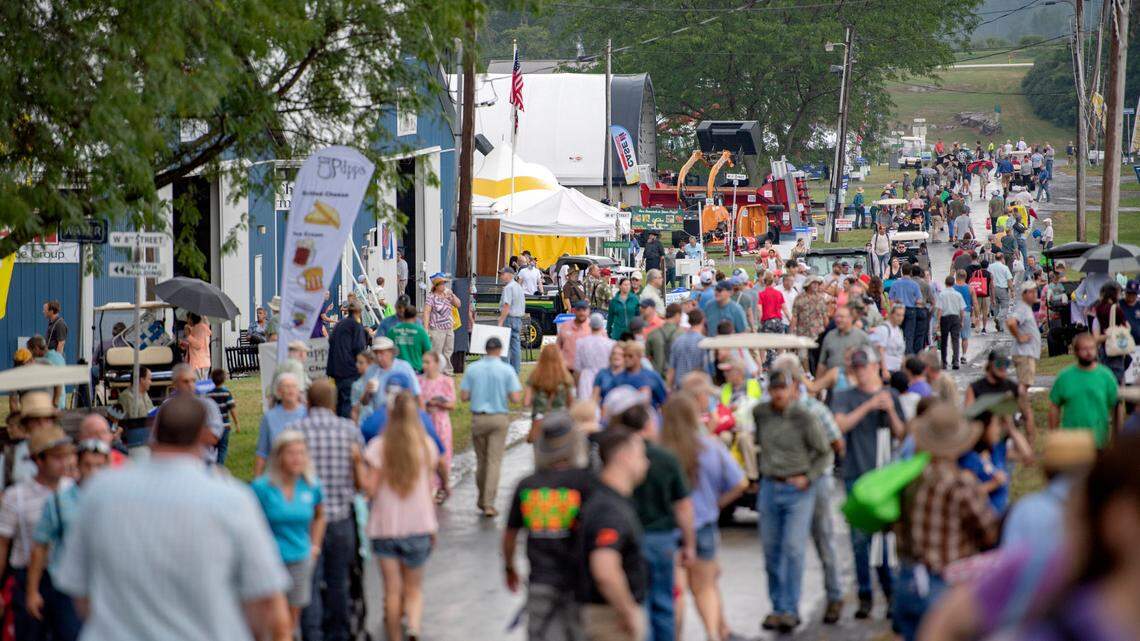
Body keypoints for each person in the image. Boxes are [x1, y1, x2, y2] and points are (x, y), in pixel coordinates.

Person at [55, 396, 293, 640]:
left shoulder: (100, 492)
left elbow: (80, 593)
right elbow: (267, 602)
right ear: (204, 435)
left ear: (152, 431)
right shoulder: (233, 500)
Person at [892, 403, 999, 641]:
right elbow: (989, 532)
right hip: (943, 583)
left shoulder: (909, 478)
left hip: (907, 580)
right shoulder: (959, 483)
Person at [659, 394, 746, 641]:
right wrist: (716, 504)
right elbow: (741, 483)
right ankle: (712, 634)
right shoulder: (711, 447)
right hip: (703, 525)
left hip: (668, 529)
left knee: (675, 592)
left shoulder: (659, 453)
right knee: (705, 587)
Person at [753, 367, 832, 633]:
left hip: (798, 488)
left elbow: (824, 453)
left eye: (782, 389)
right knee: (771, 550)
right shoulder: (761, 414)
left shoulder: (804, 417)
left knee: (793, 548)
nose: (778, 394)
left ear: (791, 390)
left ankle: (790, 608)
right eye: (774, 389)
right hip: (769, 485)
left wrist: (808, 476)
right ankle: (777, 606)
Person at [503, 411, 593, 641]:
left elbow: (510, 534)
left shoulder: (527, 486)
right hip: (579, 581)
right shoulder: (586, 483)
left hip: (540, 581)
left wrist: (510, 567)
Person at [610, 403, 696, 641]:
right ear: (649, 425)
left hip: (628, 538)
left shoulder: (616, 457)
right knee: (663, 603)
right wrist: (689, 543)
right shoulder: (666, 458)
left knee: (639, 602)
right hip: (661, 538)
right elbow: (683, 505)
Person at [831, 347, 906, 618]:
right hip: (856, 474)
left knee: (886, 541)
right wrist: (868, 406)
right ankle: (865, 595)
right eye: (857, 367)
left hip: (884, 478)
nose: (861, 371)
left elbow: (902, 435)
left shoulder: (891, 396)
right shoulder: (844, 396)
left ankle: (891, 594)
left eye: (865, 366)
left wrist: (891, 411)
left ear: (876, 366)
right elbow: (840, 425)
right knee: (860, 540)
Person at [291, 380, 365, 641]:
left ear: (308, 402)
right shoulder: (349, 431)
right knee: (339, 581)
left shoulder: (296, 431)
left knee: (309, 581)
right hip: (341, 517)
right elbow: (360, 481)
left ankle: (313, 633)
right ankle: (340, 632)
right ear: (334, 403)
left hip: (307, 519)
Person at [362, 391, 440, 641]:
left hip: (385, 527)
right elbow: (429, 490)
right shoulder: (426, 446)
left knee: (392, 590)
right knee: (414, 588)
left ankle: (394, 635)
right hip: (418, 525)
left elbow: (370, 490)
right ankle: (414, 626)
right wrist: (433, 527)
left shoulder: (378, 447)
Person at [25, 438, 110, 639]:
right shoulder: (59, 501)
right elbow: (40, 545)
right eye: (88, 465)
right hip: (69, 590)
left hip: (106, 587)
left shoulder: (117, 501)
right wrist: (32, 591)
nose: (94, 472)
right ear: (78, 466)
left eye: (99, 466)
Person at [0, 426, 75, 640]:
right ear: (38, 460)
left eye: (67, 456)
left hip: (66, 578)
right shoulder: (16, 497)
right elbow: (2, 544)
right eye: (57, 458)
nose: (65, 462)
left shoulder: (73, 491)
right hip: (28, 578)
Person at [577, 428, 649, 641]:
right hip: (609, 619)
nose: (646, 463)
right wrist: (627, 610)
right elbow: (605, 570)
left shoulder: (608, 499)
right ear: (624, 457)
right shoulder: (609, 509)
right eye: (641, 456)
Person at [251, 431, 326, 633]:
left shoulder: (311, 485)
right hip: (270, 561)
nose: (297, 458)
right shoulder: (262, 488)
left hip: (300, 559)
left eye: (301, 453)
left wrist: (315, 545)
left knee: (291, 621)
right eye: (291, 453)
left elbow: (320, 514)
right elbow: (249, 523)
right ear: (279, 456)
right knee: (273, 620)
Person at [460, 337, 523, 517]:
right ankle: (488, 502)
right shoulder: (506, 370)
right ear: (500, 350)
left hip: (478, 418)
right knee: (494, 461)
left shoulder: (473, 369)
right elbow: (516, 398)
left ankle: (481, 498)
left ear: (485, 349)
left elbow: (464, 396)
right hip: (498, 417)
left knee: (481, 461)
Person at [1049, 332, 1119, 448]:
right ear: (1076, 352)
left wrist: (1116, 437)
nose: (1088, 352)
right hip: (1072, 442)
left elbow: (1116, 406)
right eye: (1084, 349)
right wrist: (1054, 436)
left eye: (1092, 348)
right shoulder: (1065, 377)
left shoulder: (1106, 376)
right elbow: (1054, 407)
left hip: (1099, 440)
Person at [255, 373, 308, 476]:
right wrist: (257, 481)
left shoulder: (307, 414)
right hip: (276, 474)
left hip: (302, 474)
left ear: (299, 391)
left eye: (293, 386)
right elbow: (262, 452)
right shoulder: (269, 417)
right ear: (279, 392)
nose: (290, 390)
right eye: (286, 386)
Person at [419, 351, 454, 499]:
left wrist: (439, 403)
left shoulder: (446, 381)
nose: (425, 366)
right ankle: (428, 487)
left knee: (443, 454)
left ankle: (441, 486)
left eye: (428, 362)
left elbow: (452, 404)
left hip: (441, 421)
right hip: (425, 421)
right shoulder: (419, 381)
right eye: (424, 362)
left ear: (436, 364)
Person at [326, 299, 369, 417]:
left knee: (339, 402)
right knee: (348, 402)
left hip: (335, 370)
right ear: (359, 312)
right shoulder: (356, 326)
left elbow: (330, 341)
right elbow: (359, 349)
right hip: (349, 370)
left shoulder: (339, 324)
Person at [525, 344, 576, 444]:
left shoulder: (535, 376)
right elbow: (571, 403)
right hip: (560, 419)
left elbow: (526, 402)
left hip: (540, 419)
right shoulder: (566, 377)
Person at [362, 336, 422, 415]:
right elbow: (364, 402)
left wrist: (421, 417)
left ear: (391, 352)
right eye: (376, 353)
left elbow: (416, 394)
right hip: (380, 415)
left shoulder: (404, 367)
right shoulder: (371, 370)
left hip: (402, 416)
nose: (379, 357)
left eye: (382, 353)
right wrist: (367, 392)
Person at [817, 306, 871, 388]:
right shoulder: (829, 336)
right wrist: (818, 385)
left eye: (842, 317)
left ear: (850, 318)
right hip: (832, 386)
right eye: (836, 317)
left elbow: (871, 362)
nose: (838, 320)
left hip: (854, 386)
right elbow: (822, 363)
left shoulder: (861, 337)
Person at [1008, 280, 1042, 390]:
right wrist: (1019, 337)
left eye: (1035, 291)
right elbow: (1011, 322)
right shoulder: (1022, 307)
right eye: (1031, 292)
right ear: (1024, 294)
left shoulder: (1026, 307)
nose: (1034, 294)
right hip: (1024, 352)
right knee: (1024, 384)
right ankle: (1021, 405)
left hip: (1028, 352)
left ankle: (1022, 403)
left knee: (1025, 383)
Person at [574, 313, 616, 400]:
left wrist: (577, 386)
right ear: (602, 325)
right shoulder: (611, 344)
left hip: (586, 378)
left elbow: (577, 369)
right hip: (605, 378)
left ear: (589, 325)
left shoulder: (580, 343)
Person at [666, 309, 706, 390]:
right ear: (702, 321)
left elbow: (671, 369)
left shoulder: (678, 341)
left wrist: (668, 388)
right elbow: (706, 370)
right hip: (697, 388)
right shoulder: (703, 342)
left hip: (680, 388)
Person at [497, 266, 527, 372]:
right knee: (515, 347)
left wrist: (500, 321)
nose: (501, 276)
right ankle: (515, 371)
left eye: (502, 274)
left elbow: (506, 305)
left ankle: (505, 371)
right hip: (518, 319)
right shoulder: (518, 287)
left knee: (504, 346)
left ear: (510, 275)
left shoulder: (508, 288)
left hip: (509, 319)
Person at [207, 368, 239, 465]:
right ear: (224, 379)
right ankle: (219, 466)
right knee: (222, 448)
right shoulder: (226, 393)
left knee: (213, 447)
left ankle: (212, 464)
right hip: (225, 426)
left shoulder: (209, 394)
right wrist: (237, 423)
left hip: (212, 426)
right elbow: (232, 409)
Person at [936, 275, 967, 370]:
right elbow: (962, 310)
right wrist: (961, 321)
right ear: (953, 284)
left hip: (945, 318)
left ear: (945, 284)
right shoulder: (958, 295)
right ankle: (956, 361)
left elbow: (940, 310)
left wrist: (938, 322)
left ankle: (944, 362)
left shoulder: (942, 294)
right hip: (955, 318)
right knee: (955, 340)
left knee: (944, 341)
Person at [558, 300, 593, 377]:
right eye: (579, 310)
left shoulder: (592, 327)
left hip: (586, 370)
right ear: (574, 311)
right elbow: (558, 347)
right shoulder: (565, 326)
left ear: (588, 311)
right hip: (567, 369)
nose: (581, 313)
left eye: (584, 310)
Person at [645, 303, 682, 375]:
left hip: (657, 377)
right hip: (676, 376)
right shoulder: (682, 334)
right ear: (677, 315)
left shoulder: (652, 334)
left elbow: (646, 358)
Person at [181, 312, 212, 379]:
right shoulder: (198, 328)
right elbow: (198, 345)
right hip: (200, 362)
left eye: (188, 318)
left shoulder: (200, 328)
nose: (186, 320)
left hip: (199, 363)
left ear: (192, 319)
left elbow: (198, 345)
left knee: (199, 385)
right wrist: (185, 344)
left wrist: (188, 336)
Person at [988, 253, 1014, 331]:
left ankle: (1000, 326)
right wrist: (1012, 290)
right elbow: (1009, 280)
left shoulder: (990, 267)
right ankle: (999, 318)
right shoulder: (1005, 267)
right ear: (1002, 258)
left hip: (992, 289)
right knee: (1005, 306)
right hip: (1002, 289)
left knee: (995, 306)